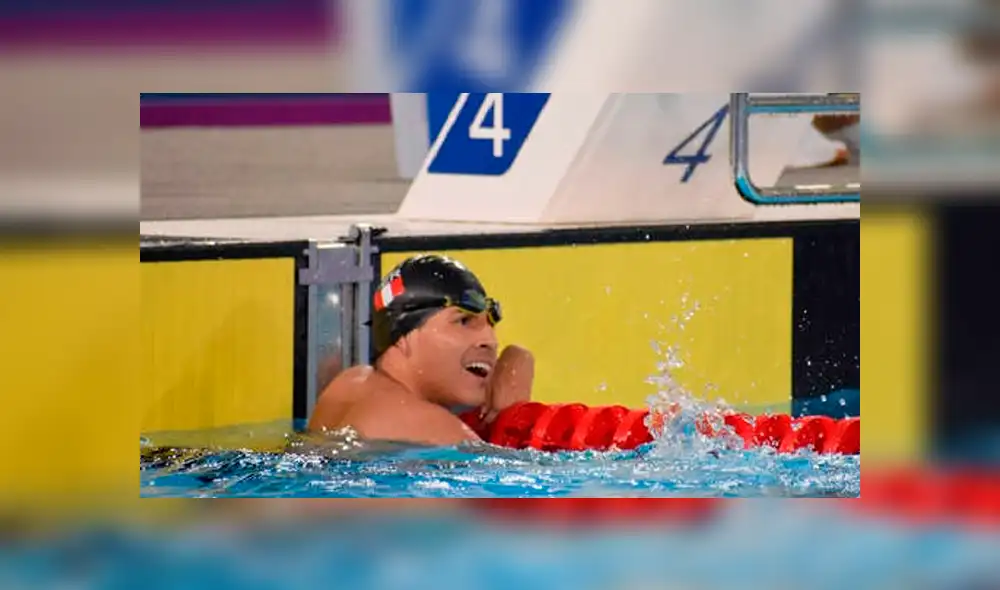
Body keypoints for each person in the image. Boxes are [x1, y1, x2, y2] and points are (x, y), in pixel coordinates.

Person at [307, 253, 534, 446]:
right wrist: (512, 415)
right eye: (463, 321)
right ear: (403, 336)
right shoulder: (429, 428)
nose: (490, 340)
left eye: (490, 323)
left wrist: (517, 358)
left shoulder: (350, 382)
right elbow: (511, 492)